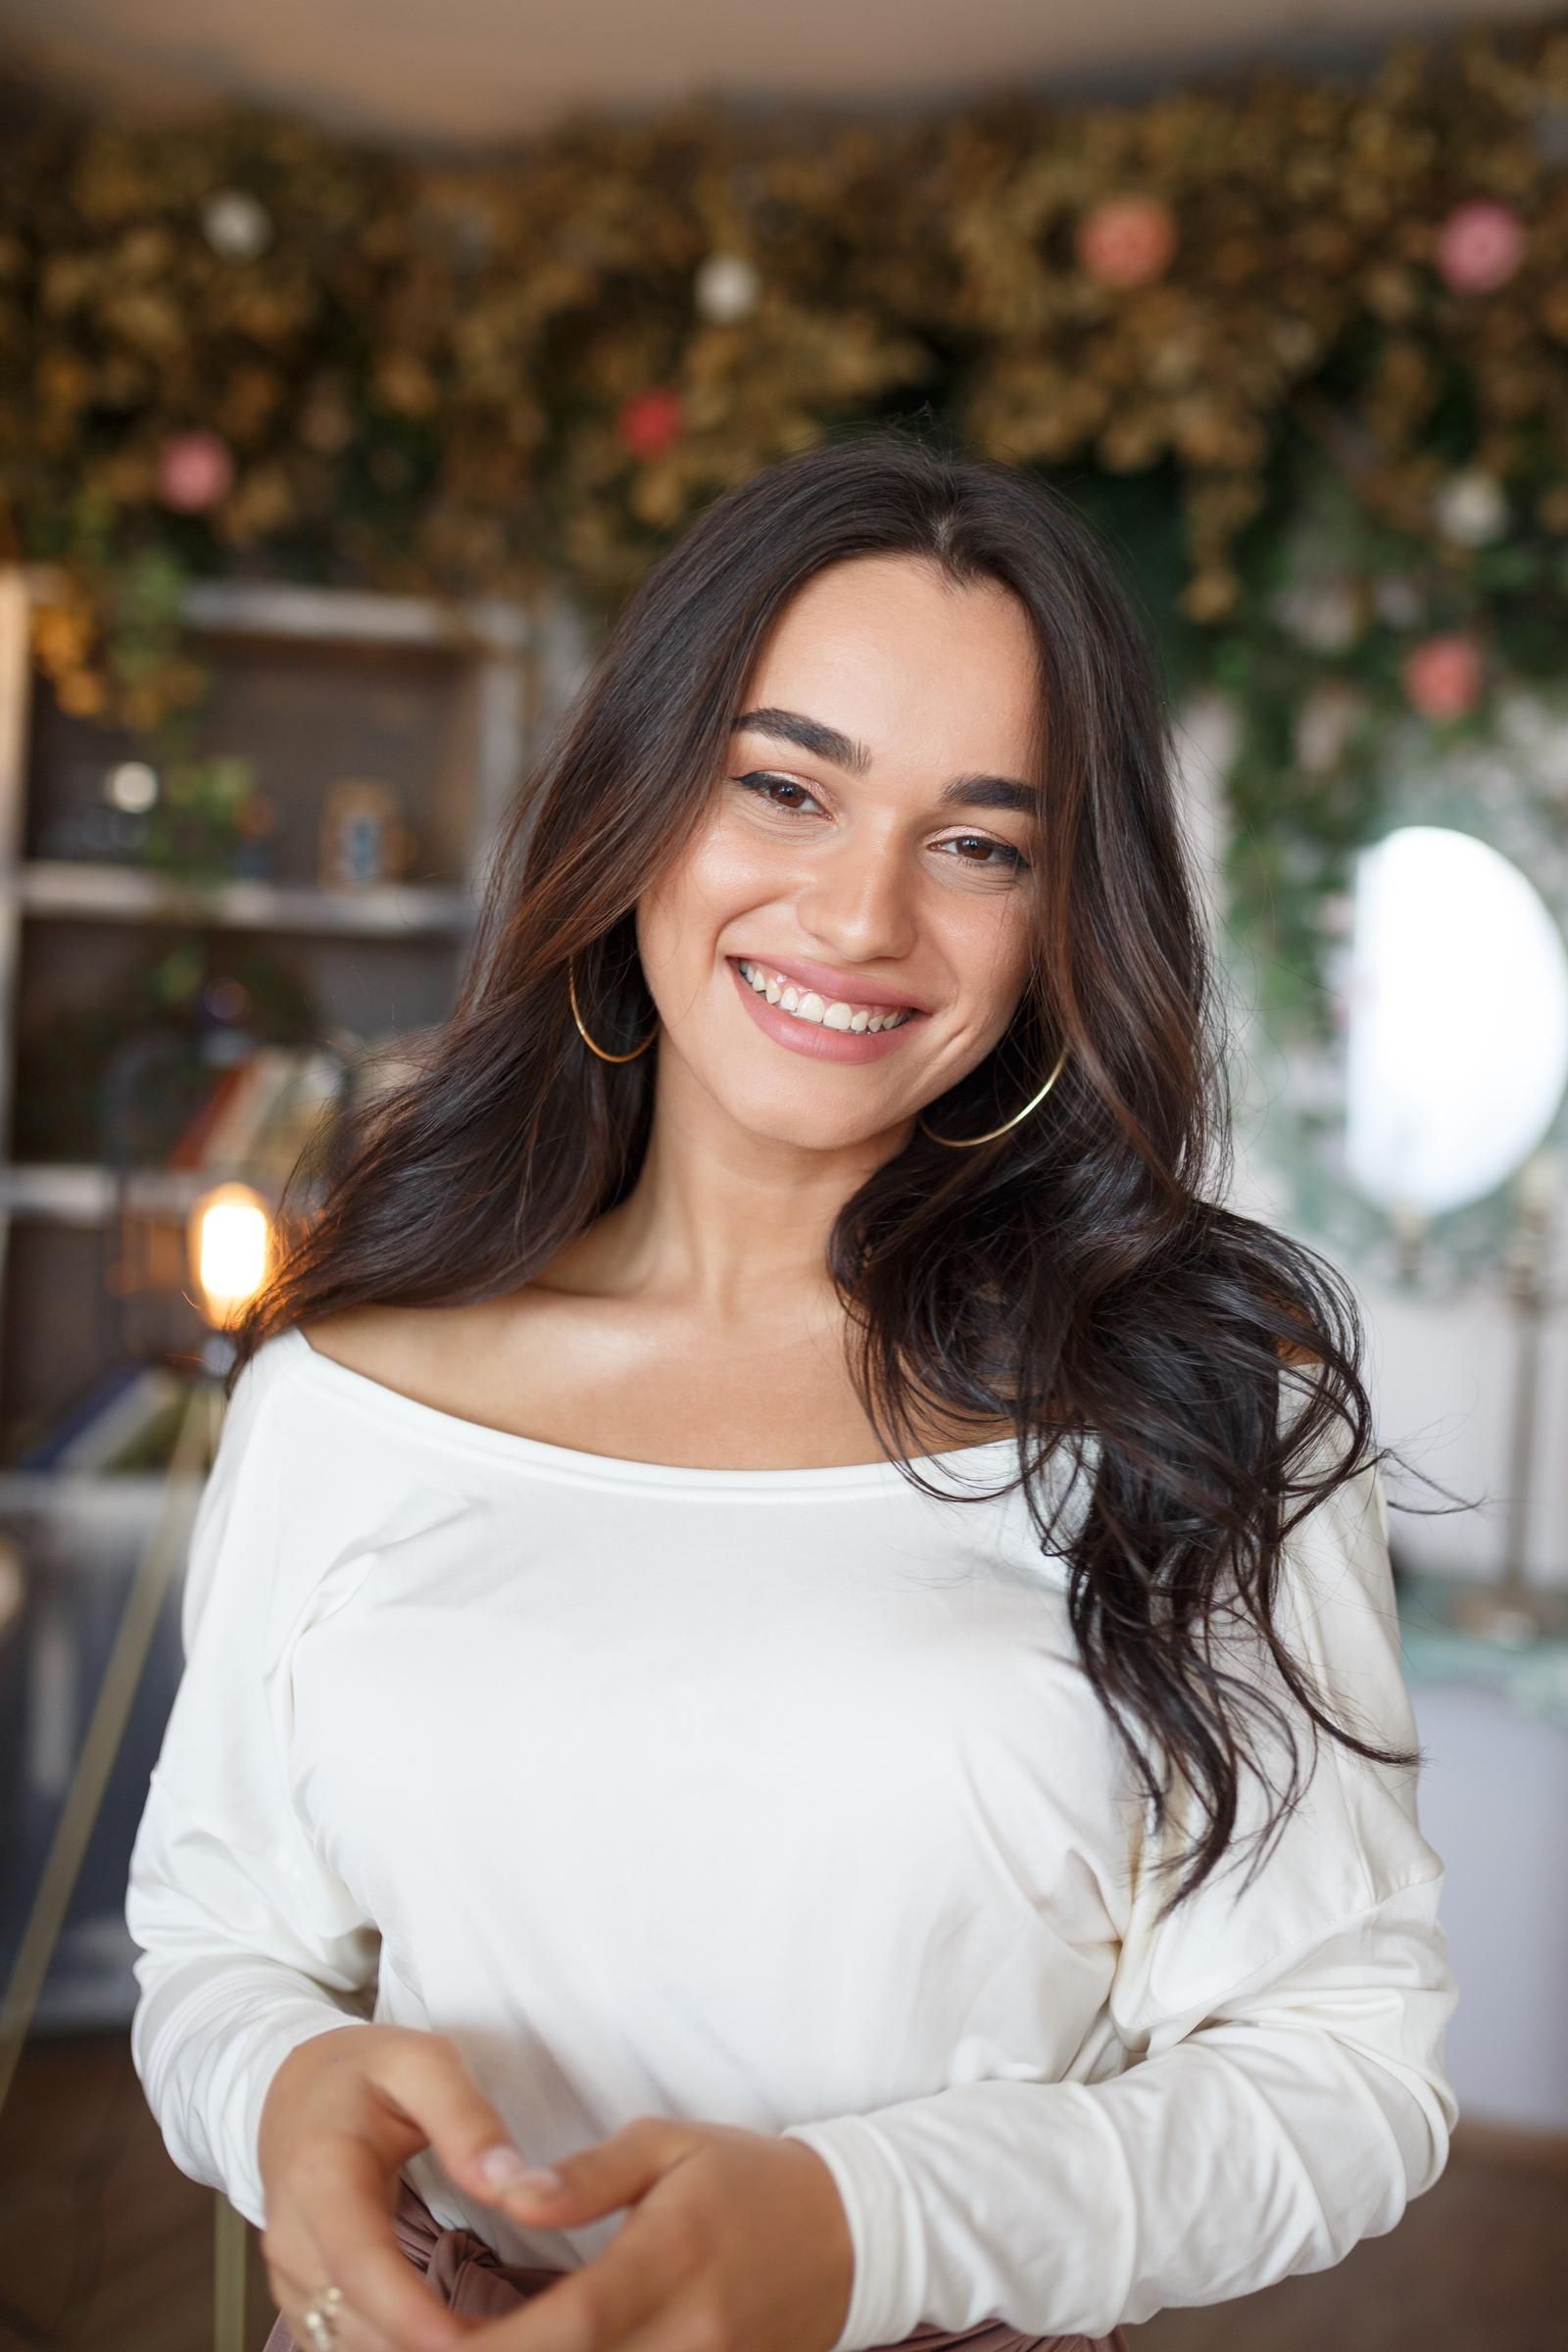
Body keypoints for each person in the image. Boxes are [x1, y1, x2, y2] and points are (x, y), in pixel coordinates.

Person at [124, 423, 1457, 2352]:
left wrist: (864, 2227)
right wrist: (275, 2093)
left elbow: (1341, 2071)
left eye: (978, 842)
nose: (858, 918)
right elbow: (221, 1944)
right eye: (784, 789)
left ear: (1056, 918)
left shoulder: (1201, 1402)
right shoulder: (346, 1387)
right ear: (641, 799)